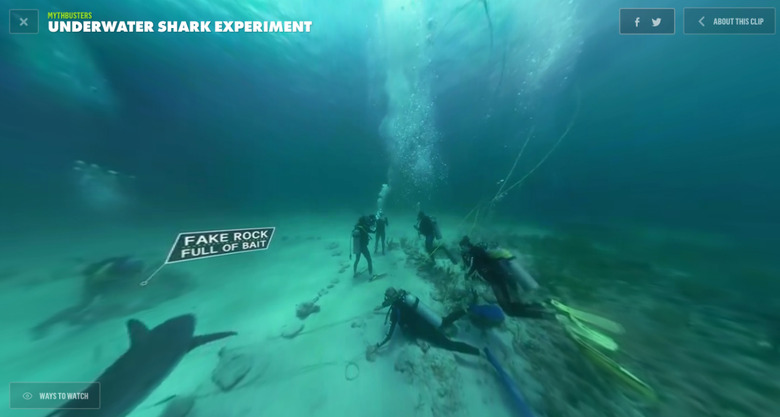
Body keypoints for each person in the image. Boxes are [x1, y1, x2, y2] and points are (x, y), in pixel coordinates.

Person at [458, 236, 550, 319]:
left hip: (499, 281)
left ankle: (544, 313)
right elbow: (479, 267)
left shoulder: (474, 252)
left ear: (466, 245)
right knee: (514, 306)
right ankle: (543, 307)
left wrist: (467, 276)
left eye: (462, 247)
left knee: (510, 310)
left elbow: (473, 266)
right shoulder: (479, 252)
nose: (461, 250)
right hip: (504, 278)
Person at [373, 287, 480, 356]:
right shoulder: (404, 296)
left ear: (390, 298)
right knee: (445, 321)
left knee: (449, 344)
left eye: (387, 297)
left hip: (421, 330)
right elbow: (391, 301)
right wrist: (381, 306)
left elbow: (389, 335)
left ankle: (478, 352)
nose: (385, 299)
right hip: (426, 318)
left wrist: (377, 345)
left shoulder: (395, 312)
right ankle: (466, 310)